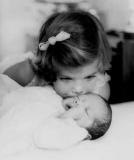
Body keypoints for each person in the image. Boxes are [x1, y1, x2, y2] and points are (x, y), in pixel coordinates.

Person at [0, 10, 112, 139]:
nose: (78, 89)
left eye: (89, 77)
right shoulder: (27, 73)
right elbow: (4, 86)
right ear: (50, 69)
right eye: (66, 78)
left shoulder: (99, 91)